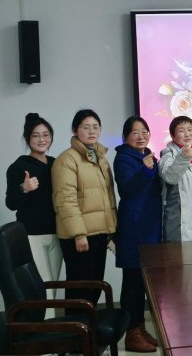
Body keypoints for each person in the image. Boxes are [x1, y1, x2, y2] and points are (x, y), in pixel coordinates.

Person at [52, 109, 117, 314]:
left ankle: (89, 330)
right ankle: (75, 331)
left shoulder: (100, 157)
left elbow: (108, 196)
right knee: (80, 289)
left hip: (99, 232)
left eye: (96, 127)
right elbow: (66, 200)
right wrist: (79, 234)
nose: (92, 131)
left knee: (95, 286)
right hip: (79, 236)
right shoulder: (66, 160)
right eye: (86, 127)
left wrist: (110, 229)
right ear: (75, 130)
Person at [5, 113, 62, 314]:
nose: (41, 139)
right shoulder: (18, 166)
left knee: (52, 286)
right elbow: (10, 203)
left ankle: (49, 328)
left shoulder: (56, 163)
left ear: (51, 137)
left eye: (46, 135)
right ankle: (47, 332)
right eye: (36, 135)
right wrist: (24, 188)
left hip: (57, 233)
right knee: (42, 288)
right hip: (31, 235)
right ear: (28, 138)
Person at [113, 116, 161, 352]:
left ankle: (140, 328)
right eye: (135, 132)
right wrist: (146, 170)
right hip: (134, 228)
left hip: (149, 226)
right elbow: (127, 190)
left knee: (142, 282)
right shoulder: (123, 158)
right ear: (125, 137)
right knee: (132, 283)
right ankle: (131, 334)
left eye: (144, 131)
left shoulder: (148, 156)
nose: (141, 136)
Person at [159, 116, 192, 241]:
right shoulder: (168, 155)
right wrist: (183, 157)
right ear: (172, 135)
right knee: (181, 253)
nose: (187, 134)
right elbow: (170, 177)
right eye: (181, 130)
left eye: (190, 130)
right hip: (180, 222)